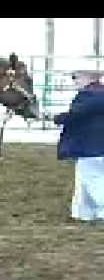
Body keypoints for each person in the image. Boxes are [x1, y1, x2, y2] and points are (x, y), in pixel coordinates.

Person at [51, 71, 104, 222]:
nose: (74, 81)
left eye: (76, 77)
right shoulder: (98, 94)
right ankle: (84, 213)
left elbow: (76, 114)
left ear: (89, 78)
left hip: (91, 146)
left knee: (93, 179)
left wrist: (55, 118)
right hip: (95, 146)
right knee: (84, 180)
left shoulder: (90, 95)